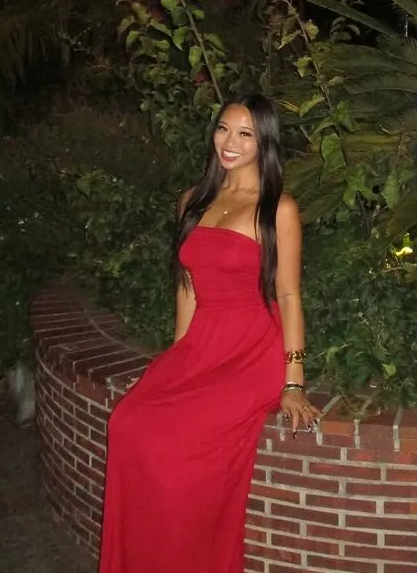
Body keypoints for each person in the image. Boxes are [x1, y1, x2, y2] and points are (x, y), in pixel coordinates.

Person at [98, 93, 321, 573]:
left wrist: (293, 381)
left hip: (252, 350)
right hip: (204, 341)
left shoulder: (276, 209)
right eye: (223, 129)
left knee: (180, 450)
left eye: (245, 134)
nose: (230, 142)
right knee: (127, 422)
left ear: (264, 143)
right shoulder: (193, 201)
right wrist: (176, 358)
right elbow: (188, 285)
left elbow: (288, 296)